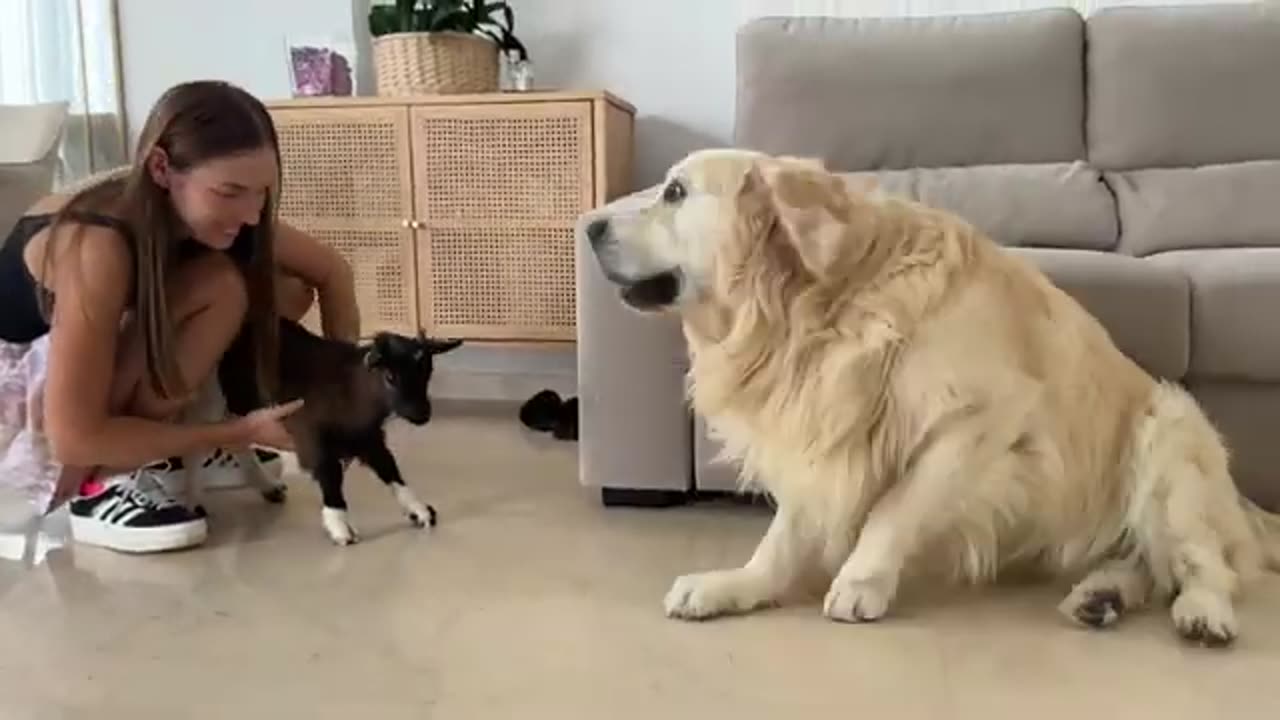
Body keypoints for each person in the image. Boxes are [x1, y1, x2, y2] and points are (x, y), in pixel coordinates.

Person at [0, 80, 360, 554]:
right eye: (230, 191)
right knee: (220, 286)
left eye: (261, 193)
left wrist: (343, 399)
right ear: (161, 168)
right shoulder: (99, 244)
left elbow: (333, 272)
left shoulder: (224, 215)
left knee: (274, 288)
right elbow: (73, 438)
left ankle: (167, 440)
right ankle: (104, 486)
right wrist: (239, 432)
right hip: (28, 393)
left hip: (99, 361)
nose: (251, 214)